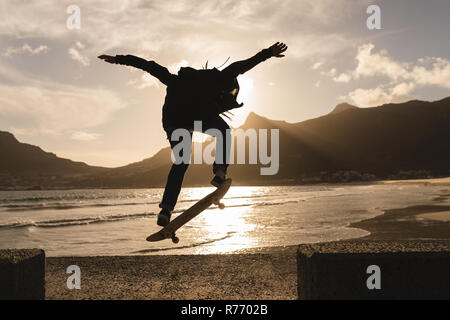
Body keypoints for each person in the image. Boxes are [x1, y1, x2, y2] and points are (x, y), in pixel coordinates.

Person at [99, 42, 287, 226]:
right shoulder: (218, 80)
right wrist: (269, 52)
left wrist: (118, 59)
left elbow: (148, 65)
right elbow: (243, 66)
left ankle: (166, 210)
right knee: (223, 131)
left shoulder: (175, 79)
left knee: (181, 162)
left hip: (174, 121)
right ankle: (220, 172)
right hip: (188, 120)